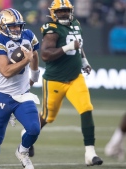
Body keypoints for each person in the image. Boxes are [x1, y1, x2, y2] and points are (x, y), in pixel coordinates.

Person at [32, 0, 103, 166]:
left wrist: (84, 60)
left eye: (66, 10)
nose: (63, 14)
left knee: (86, 108)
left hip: (75, 77)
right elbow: (45, 55)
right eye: (60, 11)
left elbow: (79, 45)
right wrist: (67, 47)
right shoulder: (52, 29)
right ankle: (26, 135)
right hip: (55, 80)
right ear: (53, 13)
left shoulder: (76, 23)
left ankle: (90, 153)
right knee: (47, 117)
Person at [0, 8, 41, 169]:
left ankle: (22, 151)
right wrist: (25, 61)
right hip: (2, 96)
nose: (17, 29)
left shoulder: (28, 35)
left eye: (18, 26)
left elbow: (34, 54)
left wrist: (35, 75)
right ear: (1, 26)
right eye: (12, 26)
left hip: (22, 94)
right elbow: (6, 71)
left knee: (34, 128)